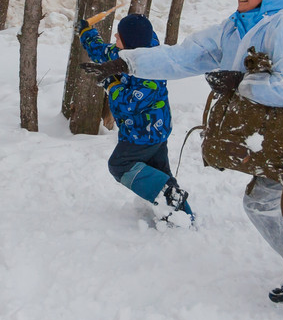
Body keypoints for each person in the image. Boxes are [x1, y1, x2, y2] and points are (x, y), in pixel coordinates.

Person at [80, 0, 283, 306]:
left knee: (262, 202)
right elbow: (182, 58)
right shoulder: (234, 28)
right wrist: (127, 63)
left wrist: (242, 81)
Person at [75, 14, 194, 228]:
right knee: (158, 172)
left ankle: (171, 198)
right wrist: (86, 33)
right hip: (151, 131)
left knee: (120, 165)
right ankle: (180, 216)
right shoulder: (128, 52)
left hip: (144, 133)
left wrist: (110, 82)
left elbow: (126, 104)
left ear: (130, 42)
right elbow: (104, 52)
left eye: (118, 36)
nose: (114, 37)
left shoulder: (151, 72)